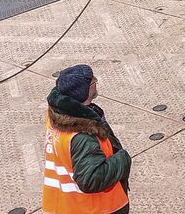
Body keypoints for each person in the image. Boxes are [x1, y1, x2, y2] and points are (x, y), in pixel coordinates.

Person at [43, 64, 131, 214]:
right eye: (92, 81)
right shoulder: (83, 136)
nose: (95, 83)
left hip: (61, 205)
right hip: (93, 208)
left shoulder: (56, 116)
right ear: (86, 91)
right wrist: (123, 159)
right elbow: (91, 179)